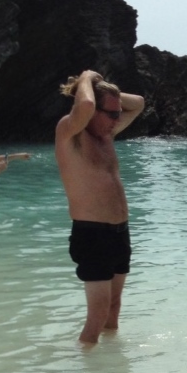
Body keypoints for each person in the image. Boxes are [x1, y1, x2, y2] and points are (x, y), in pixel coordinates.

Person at [55, 70, 145, 346]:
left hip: (119, 233)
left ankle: (110, 365)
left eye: (118, 114)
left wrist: (108, 93)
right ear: (94, 111)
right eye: (112, 114)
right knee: (97, 315)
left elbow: (138, 103)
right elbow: (84, 105)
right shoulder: (70, 133)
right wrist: (87, 78)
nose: (117, 119)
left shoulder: (106, 135)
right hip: (92, 234)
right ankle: (84, 365)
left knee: (114, 308)